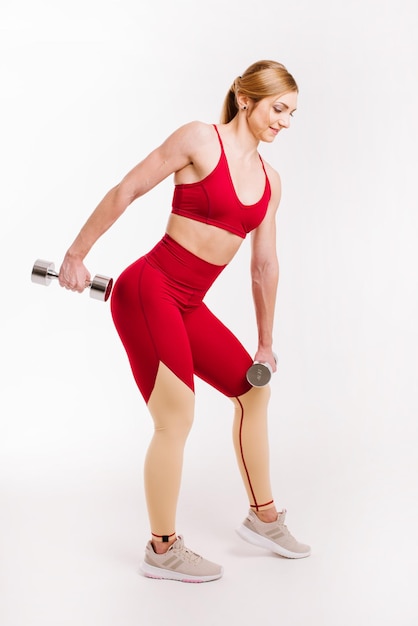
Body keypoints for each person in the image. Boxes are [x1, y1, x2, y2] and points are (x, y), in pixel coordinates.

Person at [58, 59, 310, 583]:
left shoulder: (270, 183)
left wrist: (265, 343)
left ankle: (263, 518)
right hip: (148, 290)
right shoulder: (199, 139)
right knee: (176, 416)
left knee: (252, 390)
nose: (284, 122)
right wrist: (76, 255)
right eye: (278, 108)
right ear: (247, 99)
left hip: (188, 303)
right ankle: (162, 547)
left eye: (291, 113)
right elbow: (127, 189)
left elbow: (264, 266)